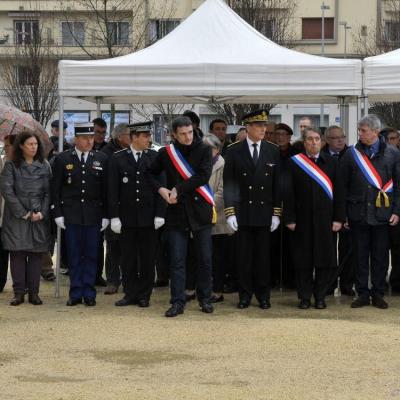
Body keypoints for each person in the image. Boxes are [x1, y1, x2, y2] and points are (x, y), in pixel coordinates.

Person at [150, 116, 214, 317]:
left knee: (204, 258)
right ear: (174, 135)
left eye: (190, 132)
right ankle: (177, 302)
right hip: (177, 213)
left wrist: (178, 188)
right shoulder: (166, 153)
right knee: (177, 260)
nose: (188, 137)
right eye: (183, 134)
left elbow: (203, 176)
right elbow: (150, 173)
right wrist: (161, 189)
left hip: (200, 211)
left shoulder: (204, 149)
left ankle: (205, 299)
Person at [340, 115, 400, 309]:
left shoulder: (392, 153)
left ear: (375, 131)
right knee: (359, 256)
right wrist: (344, 214)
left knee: (380, 257)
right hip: (358, 213)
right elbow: (343, 186)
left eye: (364, 130)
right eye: (359, 130)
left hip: (383, 214)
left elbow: (398, 186)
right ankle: (362, 294)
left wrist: (397, 211)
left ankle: (378, 293)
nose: (360, 133)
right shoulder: (351, 154)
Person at [223, 110, 281, 309]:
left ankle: (263, 295)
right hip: (243, 212)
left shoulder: (272, 150)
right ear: (248, 127)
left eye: (264, 125)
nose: (263, 129)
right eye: (258, 125)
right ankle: (245, 295)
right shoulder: (233, 150)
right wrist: (230, 212)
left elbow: (277, 184)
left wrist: (276, 212)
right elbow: (229, 183)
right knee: (244, 258)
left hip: (264, 212)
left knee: (263, 259)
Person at [284, 127, 345, 309]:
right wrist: (289, 218)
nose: (314, 142)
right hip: (301, 221)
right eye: (310, 139)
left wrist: (338, 219)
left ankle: (320, 297)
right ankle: (304, 297)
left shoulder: (333, 163)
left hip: (326, 221)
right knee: (303, 261)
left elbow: (340, 194)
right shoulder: (294, 163)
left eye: (317, 139)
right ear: (304, 142)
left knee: (324, 260)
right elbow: (288, 194)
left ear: (322, 142)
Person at [51, 123, 109, 307]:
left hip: (94, 215)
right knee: (74, 256)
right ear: (76, 139)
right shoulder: (62, 159)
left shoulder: (101, 158)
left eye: (91, 138)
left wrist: (107, 214)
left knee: (92, 255)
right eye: (85, 138)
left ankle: (89, 292)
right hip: (71, 215)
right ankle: (75, 292)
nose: (89, 141)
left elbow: (107, 191)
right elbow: (55, 190)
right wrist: (57, 213)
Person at [108, 122, 165, 308]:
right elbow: (112, 191)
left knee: (148, 258)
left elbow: (161, 187)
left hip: (149, 218)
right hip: (127, 217)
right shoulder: (117, 159)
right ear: (134, 137)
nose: (149, 139)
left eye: (148, 135)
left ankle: (144, 294)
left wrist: (160, 213)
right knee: (128, 258)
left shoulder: (154, 157)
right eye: (145, 136)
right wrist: (114, 216)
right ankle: (130, 293)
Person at [1, 132, 52, 306]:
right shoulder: (10, 165)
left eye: (36, 144)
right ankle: (19, 293)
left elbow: (49, 192)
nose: (34, 147)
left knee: (36, 255)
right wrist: (24, 213)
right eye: (30, 144)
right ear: (21, 146)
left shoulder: (44, 165)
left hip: (38, 215)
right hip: (17, 217)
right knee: (18, 254)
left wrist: (42, 212)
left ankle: (34, 293)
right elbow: (7, 191)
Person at [323, 125, 355, 296]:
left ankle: (347, 284)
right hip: (326, 210)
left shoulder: (352, 155)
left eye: (342, 136)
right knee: (328, 249)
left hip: (347, 209)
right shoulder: (320, 156)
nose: (341, 140)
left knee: (347, 248)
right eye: (336, 137)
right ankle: (328, 283)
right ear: (327, 140)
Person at [100, 123, 131, 295]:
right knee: (113, 246)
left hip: (130, 205)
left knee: (130, 246)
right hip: (113, 205)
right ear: (120, 137)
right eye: (129, 134)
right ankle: (113, 280)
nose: (131, 136)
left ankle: (129, 279)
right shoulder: (106, 154)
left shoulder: (131, 151)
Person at [203, 134, 233, 302]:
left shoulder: (223, 164)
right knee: (202, 256)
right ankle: (203, 288)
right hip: (200, 219)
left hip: (218, 218)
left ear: (217, 149)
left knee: (218, 258)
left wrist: (206, 207)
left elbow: (222, 192)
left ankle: (217, 290)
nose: (207, 152)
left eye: (210, 149)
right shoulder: (197, 163)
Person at [270, 123, 297, 289]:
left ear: (289, 137)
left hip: (290, 202)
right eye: (277, 134)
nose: (280, 137)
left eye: (284, 134)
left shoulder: (296, 154)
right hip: (272, 202)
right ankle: (273, 277)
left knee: (290, 243)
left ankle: (289, 277)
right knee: (272, 243)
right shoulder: (269, 152)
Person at [380, 128, 400, 293]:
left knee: (397, 250)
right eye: (393, 138)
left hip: (395, 211)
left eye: (397, 138)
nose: (396, 141)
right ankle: (380, 283)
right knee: (380, 251)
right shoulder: (379, 157)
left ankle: (396, 281)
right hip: (380, 210)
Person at [0, 135, 15, 292]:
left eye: (8, 145)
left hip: (16, 214)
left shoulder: (21, 164)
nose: (5, 147)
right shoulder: (2, 161)